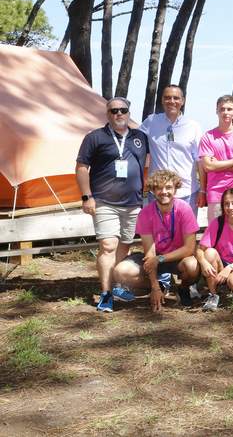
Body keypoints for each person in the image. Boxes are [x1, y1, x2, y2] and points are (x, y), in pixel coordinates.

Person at [76, 97, 149, 313]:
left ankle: (118, 286)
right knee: (108, 246)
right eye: (114, 111)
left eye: (123, 110)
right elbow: (81, 168)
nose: (118, 114)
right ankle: (106, 293)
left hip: (133, 203)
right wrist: (87, 197)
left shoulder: (140, 137)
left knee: (124, 244)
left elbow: (146, 165)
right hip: (104, 201)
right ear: (107, 114)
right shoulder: (95, 137)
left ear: (129, 113)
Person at [113, 170, 200, 311]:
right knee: (120, 272)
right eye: (159, 188)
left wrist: (160, 258)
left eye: (168, 187)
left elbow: (189, 248)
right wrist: (154, 287)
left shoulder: (185, 209)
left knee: (192, 266)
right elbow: (150, 254)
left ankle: (183, 288)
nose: (164, 192)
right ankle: (161, 286)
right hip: (154, 257)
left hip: (177, 257)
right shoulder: (145, 213)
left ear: (175, 189)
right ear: (153, 191)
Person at [139, 84, 204, 213]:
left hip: (186, 193)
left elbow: (200, 161)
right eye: (167, 98)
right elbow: (135, 143)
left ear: (182, 101)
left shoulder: (193, 126)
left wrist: (203, 190)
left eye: (176, 98)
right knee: (157, 227)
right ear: (162, 100)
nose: (172, 101)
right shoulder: (150, 122)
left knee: (186, 227)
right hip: (157, 192)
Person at [197, 188, 233, 311]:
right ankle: (213, 294)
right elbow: (200, 250)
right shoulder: (217, 223)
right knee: (209, 253)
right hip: (220, 264)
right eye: (226, 204)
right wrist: (203, 262)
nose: (230, 207)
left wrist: (230, 268)